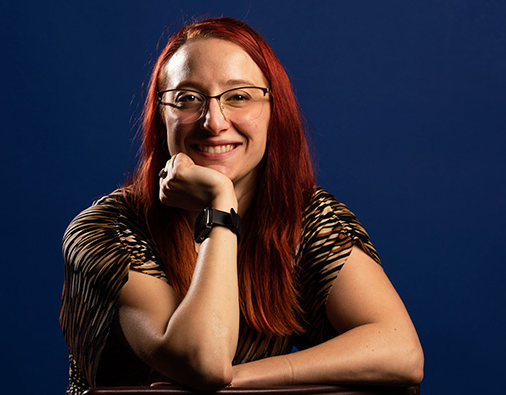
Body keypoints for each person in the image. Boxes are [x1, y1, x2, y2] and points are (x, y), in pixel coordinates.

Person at [59, 17, 423, 394]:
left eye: (238, 96)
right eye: (187, 98)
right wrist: (220, 205)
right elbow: (203, 363)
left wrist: (245, 378)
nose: (213, 121)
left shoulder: (306, 219)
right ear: (160, 116)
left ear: (273, 111)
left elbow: (402, 350)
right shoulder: (106, 230)